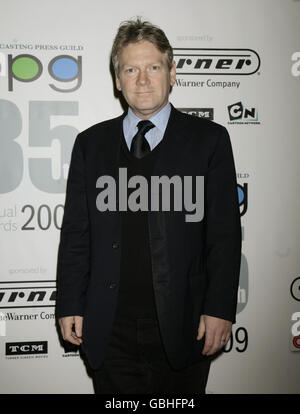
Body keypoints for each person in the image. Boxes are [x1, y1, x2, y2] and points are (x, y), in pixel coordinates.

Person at [56, 17, 241, 394]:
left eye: (153, 67)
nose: (142, 79)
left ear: (172, 73)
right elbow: (77, 231)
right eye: (131, 69)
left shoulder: (210, 141)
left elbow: (224, 234)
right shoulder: (90, 145)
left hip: (185, 325)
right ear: (117, 79)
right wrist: (69, 302)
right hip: (109, 328)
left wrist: (220, 307)